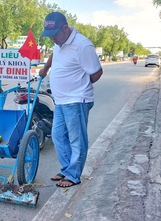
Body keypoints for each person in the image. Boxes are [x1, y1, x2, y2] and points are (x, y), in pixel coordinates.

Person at [39, 12, 103, 188]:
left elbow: (97, 72)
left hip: (76, 100)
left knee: (76, 139)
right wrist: (45, 68)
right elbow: (54, 54)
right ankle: (67, 169)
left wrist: (79, 85)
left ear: (65, 28)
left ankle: (74, 175)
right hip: (60, 100)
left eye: (55, 34)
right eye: (50, 36)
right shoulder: (60, 42)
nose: (52, 39)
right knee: (58, 136)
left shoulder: (82, 45)